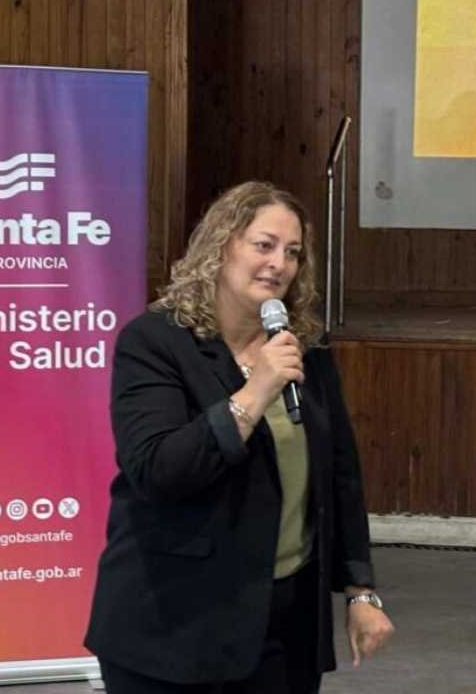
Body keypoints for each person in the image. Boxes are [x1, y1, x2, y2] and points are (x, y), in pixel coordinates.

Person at [85, 181, 394, 693]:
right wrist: (256, 391)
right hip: (173, 626)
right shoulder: (155, 342)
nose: (279, 264)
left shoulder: (303, 346)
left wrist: (360, 590)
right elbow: (160, 471)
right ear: (221, 245)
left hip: (285, 623)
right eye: (264, 245)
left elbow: (340, 473)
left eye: (292, 253)